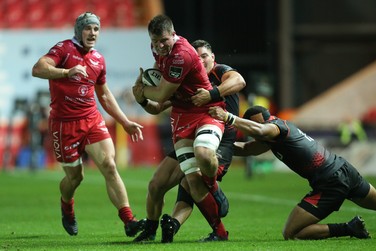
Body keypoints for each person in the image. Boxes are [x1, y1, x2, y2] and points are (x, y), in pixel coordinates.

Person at [209, 105, 376, 240]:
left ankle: (349, 228)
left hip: (330, 181)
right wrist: (212, 143)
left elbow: (260, 130)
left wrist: (229, 118)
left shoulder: (277, 128)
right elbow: (246, 149)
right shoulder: (274, 133)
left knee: (291, 233)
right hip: (343, 169)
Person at [31, 12, 144, 237]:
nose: (93, 33)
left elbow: (104, 95)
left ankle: (129, 220)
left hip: (91, 120)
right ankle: (67, 205)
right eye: (88, 28)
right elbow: (38, 69)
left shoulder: (98, 59)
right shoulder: (63, 49)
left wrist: (125, 122)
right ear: (79, 30)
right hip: (64, 125)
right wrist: (65, 72)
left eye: (96, 29)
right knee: (76, 178)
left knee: (110, 166)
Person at [132, 39, 245, 242]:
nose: (200, 60)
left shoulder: (220, 71)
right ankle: (152, 229)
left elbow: (239, 81)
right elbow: (157, 107)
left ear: (213, 57)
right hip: (189, 134)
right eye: (197, 56)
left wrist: (211, 94)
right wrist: (142, 99)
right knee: (156, 184)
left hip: (219, 141)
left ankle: (217, 231)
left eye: (204, 56)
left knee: (192, 181)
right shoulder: (183, 77)